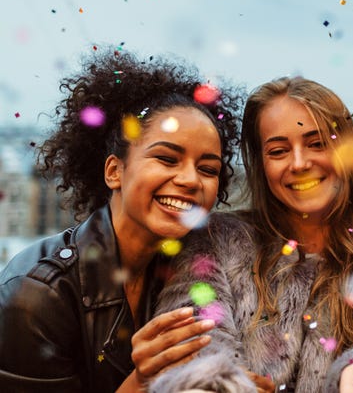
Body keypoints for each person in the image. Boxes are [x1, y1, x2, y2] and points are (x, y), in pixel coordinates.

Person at [150, 76, 353, 393]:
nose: (299, 163)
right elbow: (196, 338)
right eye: (278, 150)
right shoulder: (216, 241)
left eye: (317, 143)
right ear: (261, 164)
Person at [0, 48, 243, 392]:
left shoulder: (197, 270)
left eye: (208, 169)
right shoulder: (36, 296)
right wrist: (143, 380)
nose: (191, 180)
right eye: (167, 158)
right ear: (114, 171)